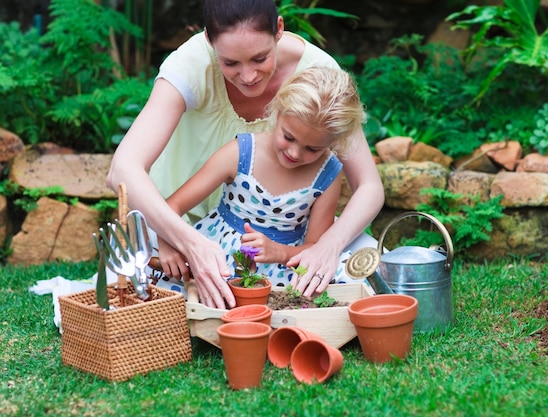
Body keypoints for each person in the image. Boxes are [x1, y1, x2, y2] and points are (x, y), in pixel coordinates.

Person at [106, 0, 384, 309]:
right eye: (230, 64)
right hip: (177, 220)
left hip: (283, 235)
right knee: (132, 279)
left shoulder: (319, 78)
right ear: (209, 41)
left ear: (279, 29)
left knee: (366, 265)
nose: (248, 76)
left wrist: (327, 248)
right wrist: (183, 239)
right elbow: (122, 169)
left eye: (260, 58)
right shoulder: (191, 63)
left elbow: (369, 186)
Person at [165, 67, 365, 286]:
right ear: (277, 112)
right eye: (288, 137)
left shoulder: (326, 174)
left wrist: (280, 252)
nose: (294, 153)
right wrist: (167, 244)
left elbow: (316, 248)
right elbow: (172, 206)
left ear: (333, 141)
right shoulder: (242, 153)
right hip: (221, 257)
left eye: (312, 149)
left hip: (284, 269)